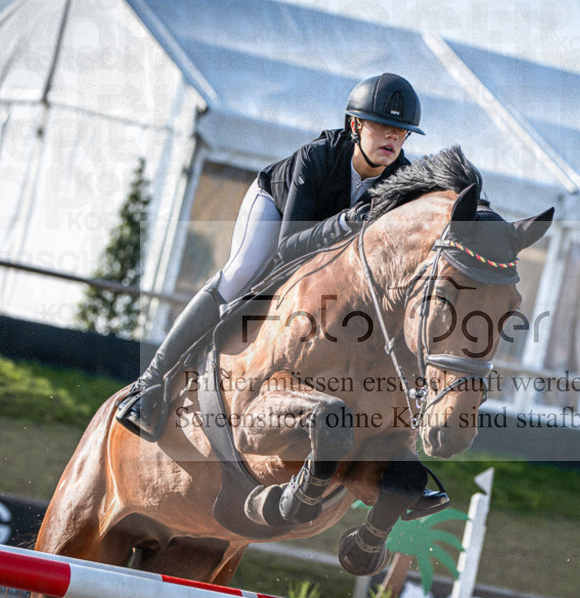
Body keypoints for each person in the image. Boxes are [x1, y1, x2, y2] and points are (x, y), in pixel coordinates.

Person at [116, 73, 423, 441]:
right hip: (275, 212)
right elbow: (288, 246)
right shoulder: (317, 157)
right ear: (355, 124)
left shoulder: (404, 183)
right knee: (241, 274)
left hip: (330, 248)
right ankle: (149, 384)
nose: (392, 137)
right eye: (382, 126)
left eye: (401, 131)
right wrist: (343, 222)